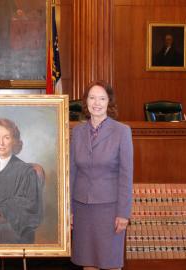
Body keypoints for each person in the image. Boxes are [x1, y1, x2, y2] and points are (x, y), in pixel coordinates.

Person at [70, 81, 133, 270]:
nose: (96, 103)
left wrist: (123, 213)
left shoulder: (122, 131)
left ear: (109, 103)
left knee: (110, 263)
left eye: (102, 98)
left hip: (110, 210)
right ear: (86, 102)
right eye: (92, 97)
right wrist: (69, 210)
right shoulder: (77, 131)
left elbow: (126, 175)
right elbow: (72, 171)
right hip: (82, 208)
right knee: (87, 262)